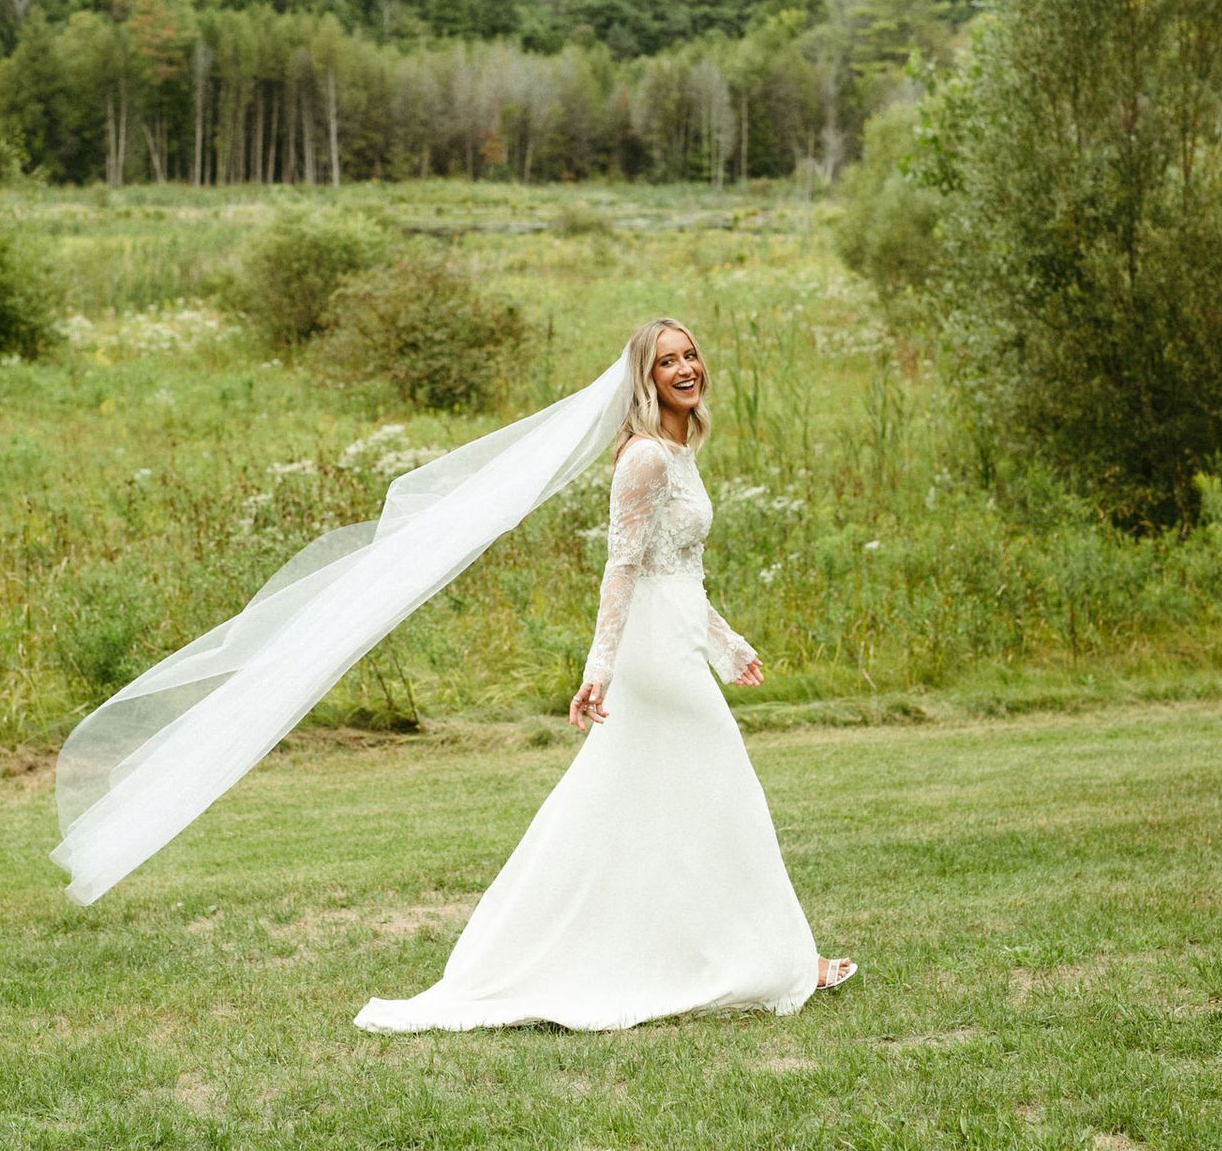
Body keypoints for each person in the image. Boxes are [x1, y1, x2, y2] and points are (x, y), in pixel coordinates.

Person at [354, 317, 853, 1033]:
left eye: (690, 356)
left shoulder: (681, 449)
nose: (685, 369)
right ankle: (782, 963)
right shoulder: (644, 459)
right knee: (729, 792)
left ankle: (714, 952)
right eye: (666, 362)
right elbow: (622, 568)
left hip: (677, 639)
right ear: (643, 379)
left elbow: (677, 571)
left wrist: (726, 643)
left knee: (646, 801)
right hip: (651, 655)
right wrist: (601, 668)